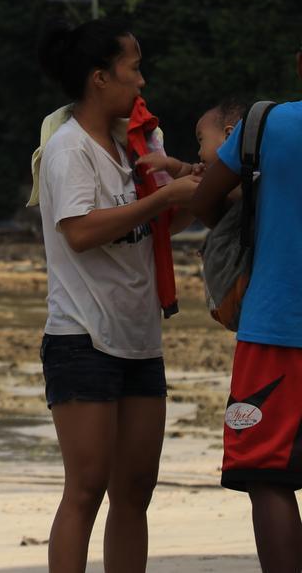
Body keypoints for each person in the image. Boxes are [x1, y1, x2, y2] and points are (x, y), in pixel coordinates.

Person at [32, 17, 200, 572]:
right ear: (99, 78)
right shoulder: (68, 149)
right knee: (85, 489)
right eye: (133, 68)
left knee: (135, 491)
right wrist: (161, 200)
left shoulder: (137, 144)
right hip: (82, 339)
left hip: (139, 340)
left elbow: (153, 228)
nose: (142, 80)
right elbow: (80, 232)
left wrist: (183, 184)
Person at [192, 46, 302, 573]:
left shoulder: (266, 124)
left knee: (268, 476)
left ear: (300, 63)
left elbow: (205, 200)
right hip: (275, 325)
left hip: (277, 328)